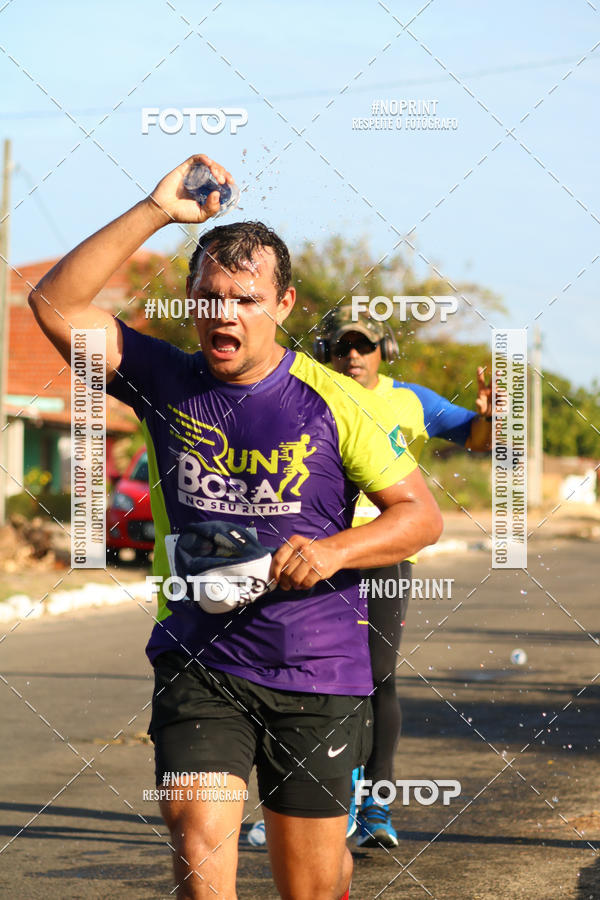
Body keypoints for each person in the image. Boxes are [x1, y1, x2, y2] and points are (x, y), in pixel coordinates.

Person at [29, 154, 443, 900]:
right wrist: (157, 210)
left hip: (316, 671)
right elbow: (57, 305)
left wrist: (332, 551)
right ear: (191, 300)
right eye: (210, 297)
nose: (225, 314)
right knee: (199, 844)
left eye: (245, 299)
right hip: (200, 665)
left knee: (311, 885)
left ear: (282, 303)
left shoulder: (335, 402)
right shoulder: (163, 379)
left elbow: (420, 517)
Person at [318, 306, 492, 849]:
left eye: (365, 345)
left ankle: (374, 807)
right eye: (344, 345)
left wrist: (491, 416)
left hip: (387, 550)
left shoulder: (411, 400)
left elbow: (479, 440)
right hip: (320, 550)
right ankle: (321, 804)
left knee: (378, 675)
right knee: (319, 678)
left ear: (384, 351)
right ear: (328, 351)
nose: (353, 355)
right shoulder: (313, 390)